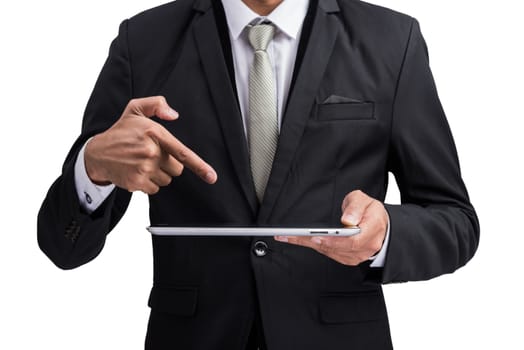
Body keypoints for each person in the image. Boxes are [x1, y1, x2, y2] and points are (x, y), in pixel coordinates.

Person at [37, 0, 480, 349]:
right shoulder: (144, 42)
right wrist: (92, 167)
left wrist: (385, 235)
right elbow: (63, 244)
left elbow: (456, 221)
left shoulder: (391, 40)